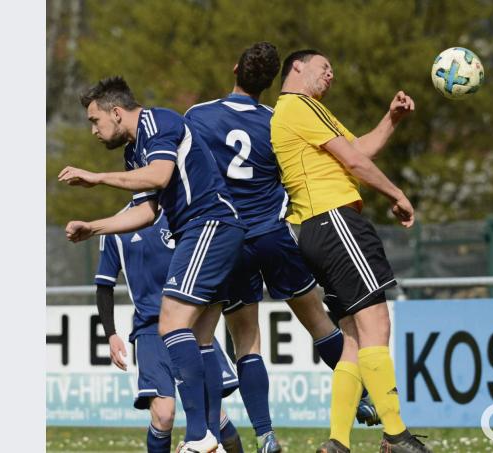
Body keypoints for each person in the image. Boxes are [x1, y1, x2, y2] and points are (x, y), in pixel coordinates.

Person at [184, 42, 379, 452]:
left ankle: (266, 434)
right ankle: (361, 395)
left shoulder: (198, 117)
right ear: (271, 82)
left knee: (246, 338)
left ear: (235, 69)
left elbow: (190, 176)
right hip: (274, 234)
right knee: (319, 322)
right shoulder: (275, 120)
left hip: (229, 240)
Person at [59, 76, 245, 453]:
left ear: (115, 112)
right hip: (203, 229)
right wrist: (94, 228)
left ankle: (200, 437)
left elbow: (160, 175)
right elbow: (146, 211)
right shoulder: (134, 151)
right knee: (201, 337)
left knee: (171, 323)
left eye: (95, 121)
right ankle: (210, 440)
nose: (94, 130)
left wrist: (97, 178)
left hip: (210, 224)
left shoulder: (158, 122)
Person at [270, 50, 431, 453]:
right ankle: (396, 435)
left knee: (353, 339)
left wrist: (391, 119)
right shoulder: (300, 107)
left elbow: (358, 148)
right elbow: (355, 163)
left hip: (315, 228)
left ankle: (338, 442)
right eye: (324, 68)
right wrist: (396, 193)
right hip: (335, 221)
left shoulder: (300, 112)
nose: (331, 75)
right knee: (376, 323)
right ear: (297, 68)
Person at [93, 205, 244, 453]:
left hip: (189, 323)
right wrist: (111, 333)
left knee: (213, 416)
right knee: (163, 416)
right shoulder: (115, 226)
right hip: (150, 330)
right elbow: (104, 285)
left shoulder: (185, 212)